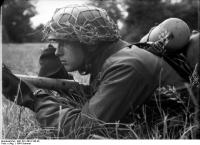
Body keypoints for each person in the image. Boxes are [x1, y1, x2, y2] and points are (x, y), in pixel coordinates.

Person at [2, 4, 193, 138]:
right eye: (55, 43)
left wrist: (33, 97)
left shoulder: (127, 65)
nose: (57, 51)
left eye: (64, 42)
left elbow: (80, 130)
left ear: (89, 41)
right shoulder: (115, 58)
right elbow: (100, 96)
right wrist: (65, 89)